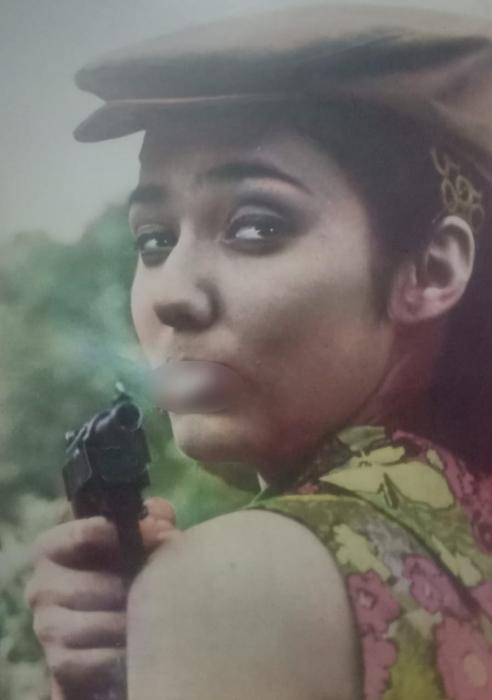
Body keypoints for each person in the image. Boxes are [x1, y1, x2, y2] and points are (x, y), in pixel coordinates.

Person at [26, 5, 492, 700]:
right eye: (153, 240)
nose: (173, 294)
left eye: (255, 227)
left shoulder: (235, 582)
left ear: (432, 268)